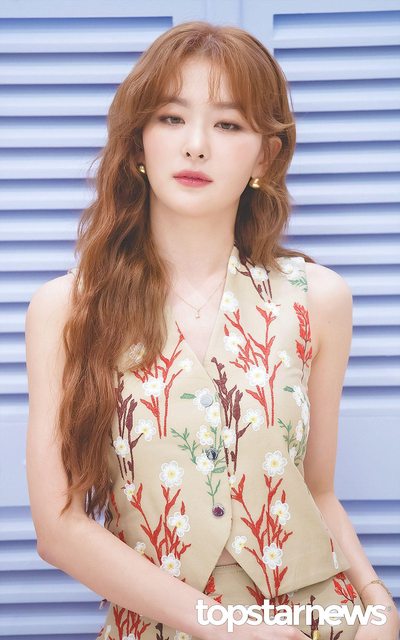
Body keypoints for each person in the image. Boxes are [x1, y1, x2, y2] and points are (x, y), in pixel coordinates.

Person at [25, 20, 399, 640]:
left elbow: (318, 491)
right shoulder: (68, 309)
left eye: (228, 125)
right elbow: (58, 529)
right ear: (138, 143)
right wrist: (228, 627)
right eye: (172, 118)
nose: (196, 145)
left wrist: (377, 602)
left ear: (264, 155)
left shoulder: (319, 299)